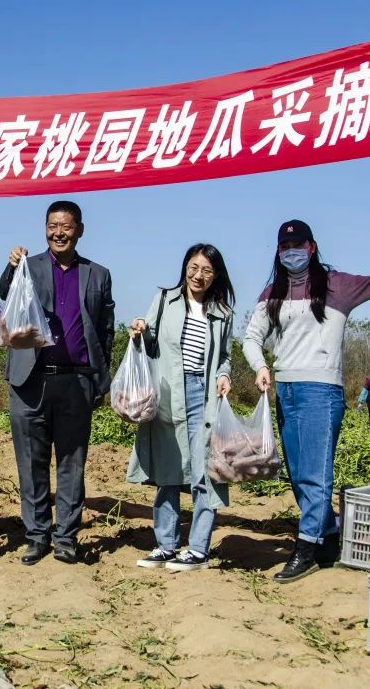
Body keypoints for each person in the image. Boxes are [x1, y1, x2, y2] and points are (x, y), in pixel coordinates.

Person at [243, 219, 370, 583]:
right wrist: (260, 365)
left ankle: (306, 548)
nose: (291, 251)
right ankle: (329, 539)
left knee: (316, 474)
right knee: (298, 475)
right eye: (285, 247)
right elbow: (252, 337)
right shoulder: (272, 293)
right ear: (278, 252)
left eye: (298, 245)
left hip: (321, 391)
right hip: (286, 391)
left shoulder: (338, 286)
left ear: (312, 247)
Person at [0, 200, 115, 566]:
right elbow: (6, 293)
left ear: (79, 230)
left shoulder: (98, 274)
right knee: (30, 464)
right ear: (45, 228)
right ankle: (36, 536)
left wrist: (99, 378)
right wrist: (11, 266)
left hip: (75, 381)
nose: (58, 232)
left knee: (71, 463)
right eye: (52, 225)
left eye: (66, 226)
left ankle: (65, 536)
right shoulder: (29, 266)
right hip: (29, 380)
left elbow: (106, 331)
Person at [126, 244, 234, 572]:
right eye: (193, 267)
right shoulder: (165, 300)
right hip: (168, 392)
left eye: (206, 270)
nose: (198, 275)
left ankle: (199, 549)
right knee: (168, 473)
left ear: (215, 276)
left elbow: (225, 356)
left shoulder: (223, 313)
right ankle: (166, 546)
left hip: (204, 397)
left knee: (205, 472)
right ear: (185, 267)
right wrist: (139, 332)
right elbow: (151, 341)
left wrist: (225, 374)